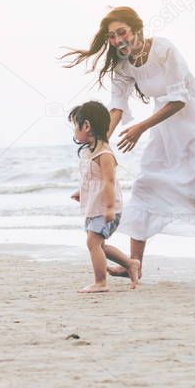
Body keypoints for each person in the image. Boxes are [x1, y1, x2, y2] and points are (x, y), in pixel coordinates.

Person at [63, 7, 195, 282]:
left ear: (137, 30)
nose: (118, 40)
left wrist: (141, 128)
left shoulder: (164, 50)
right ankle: (134, 263)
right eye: (112, 36)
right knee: (145, 184)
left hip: (194, 122)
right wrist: (100, 147)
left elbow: (179, 99)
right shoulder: (122, 66)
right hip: (164, 127)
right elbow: (117, 108)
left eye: (122, 32)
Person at [68, 100, 140, 293]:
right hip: (95, 207)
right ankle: (131, 264)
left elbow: (108, 182)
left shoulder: (105, 154)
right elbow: (91, 179)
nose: (74, 131)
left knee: (92, 243)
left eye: (76, 126)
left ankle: (100, 282)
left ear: (87, 126)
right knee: (99, 245)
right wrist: (80, 192)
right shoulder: (89, 153)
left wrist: (109, 208)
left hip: (107, 208)